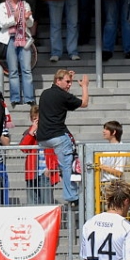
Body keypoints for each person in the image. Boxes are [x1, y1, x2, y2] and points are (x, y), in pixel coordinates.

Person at [37, 69, 89, 207]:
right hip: (57, 137)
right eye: (67, 82)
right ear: (58, 81)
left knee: (64, 161)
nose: (69, 84)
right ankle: (72, 196)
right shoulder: (63, 96)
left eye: (70, 82)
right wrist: (84, 86)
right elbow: (84, 103)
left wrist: (67, 77)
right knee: (67, 165)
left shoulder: (45, 93)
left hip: (42, 138)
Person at [0, 0, 35, 108]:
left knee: (26, 69)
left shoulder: (25, 4)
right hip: (9, 39)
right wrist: (15, 17)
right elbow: (2, 23)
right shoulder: (3, 6)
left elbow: (30, 24)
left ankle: (29, 98)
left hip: (24, 38)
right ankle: (15, 98)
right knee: (13, 70)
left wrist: (27, 18)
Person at [20, 104, 58, 206]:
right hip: (32, 172)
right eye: (34, 119)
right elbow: (23, 148)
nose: (37, 121)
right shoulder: (29, 132)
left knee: (47, 202)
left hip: (46, 171)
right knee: (32, 203)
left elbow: (57, 152)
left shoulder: (51, 131)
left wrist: (51, 168)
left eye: (39, 119)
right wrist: (32, 132)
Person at [99, 120, 125, 186]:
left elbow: (119, 173)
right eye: (104, 129)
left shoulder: (121, 149)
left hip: (115, 185)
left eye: (107, 129)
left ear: (114, 132)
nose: (103, 131)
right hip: (104, 183)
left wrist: (100, 166)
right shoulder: (106, 148)